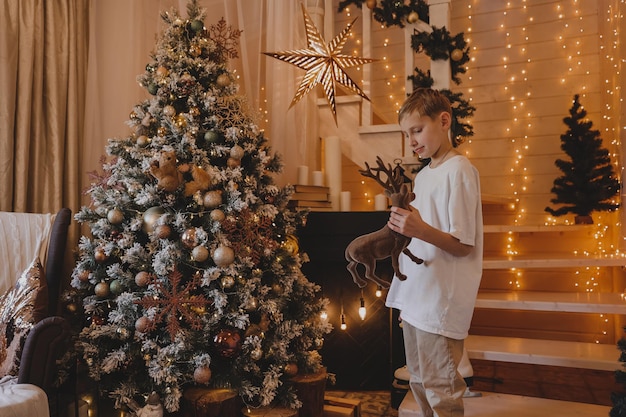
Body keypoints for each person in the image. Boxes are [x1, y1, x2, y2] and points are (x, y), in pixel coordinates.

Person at [385, 88, 483, 417]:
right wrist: (406, 296)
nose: (411, 141)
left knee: (441, 389)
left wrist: (419, 229)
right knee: (419, 383)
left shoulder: (459, 171)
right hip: (418, 299)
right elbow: (417, 243)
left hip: (441, 302)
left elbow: (463, 243)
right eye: (406, 134)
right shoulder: (423, 175)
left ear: (444, 121)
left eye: (416, 130)